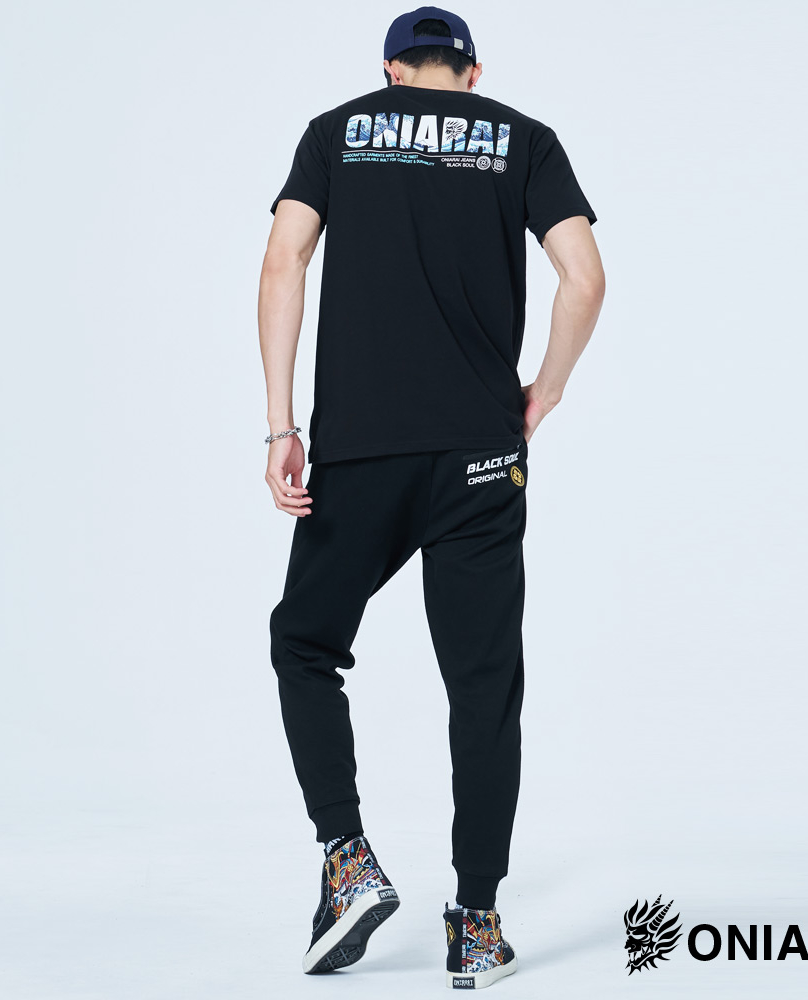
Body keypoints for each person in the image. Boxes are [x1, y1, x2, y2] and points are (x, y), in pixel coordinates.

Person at [259, 5, 605, 989]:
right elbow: (583, 278)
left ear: (390, 71)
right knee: (483, 688)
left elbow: (283, 261)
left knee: (305, 644)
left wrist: (281, 426)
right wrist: (546, 390)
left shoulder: (335, 133)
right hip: (480, 457)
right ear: (472, 73)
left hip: (360, 451)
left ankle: (348, 857)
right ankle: (478, 926)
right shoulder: (524, 140)